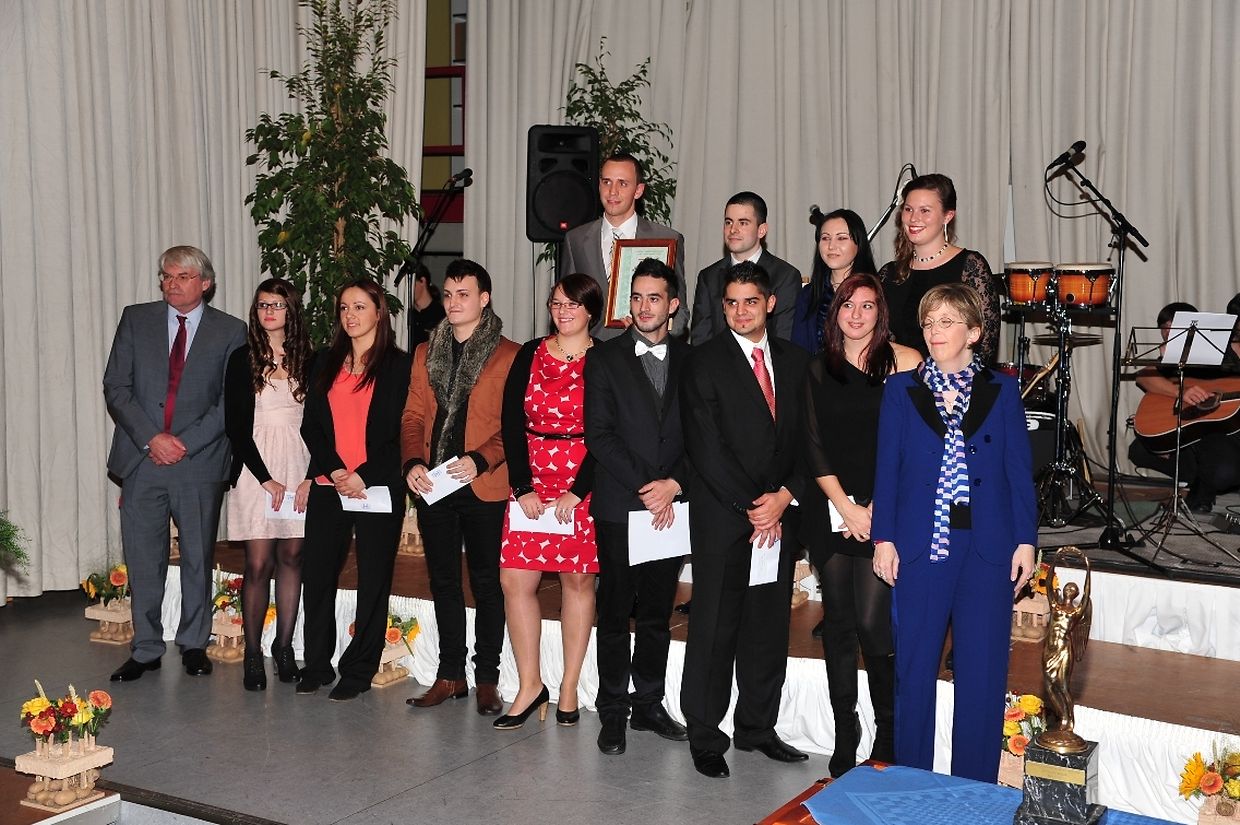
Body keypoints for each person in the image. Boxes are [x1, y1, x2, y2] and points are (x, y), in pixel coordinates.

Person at [871, 282, 1037, 783]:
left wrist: (1026, 540)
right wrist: (884, 538)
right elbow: (887, 469)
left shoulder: (1002, 391)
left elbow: (1017, 471)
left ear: (975, 332)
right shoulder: (901, 390)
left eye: (947, 322)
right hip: (921, 545)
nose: (934, 331)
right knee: (914, 668)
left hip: (988, 548)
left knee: (983, 672)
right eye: (928, 322)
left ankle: (975, 787)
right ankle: (912, 781)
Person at [679, 261, 811, 779]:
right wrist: (755, 508)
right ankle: (705, 734)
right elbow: (705, 447)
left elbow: (809, 441)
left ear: (770, 304)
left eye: (750, 302)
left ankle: (757, 727)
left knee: (767, 626)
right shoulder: (703, 361)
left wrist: (784, 497)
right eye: (731, 303)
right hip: (725, 517)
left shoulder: (797, 362)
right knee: (714, 627)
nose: (740, 312)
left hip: (780, 516)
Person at [103, 246, 246, 683]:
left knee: (198, 556)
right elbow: (116, 386)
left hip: (198, 460)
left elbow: (231, 402)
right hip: (142, 457)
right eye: (166, 276)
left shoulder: (231, 330)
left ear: (206, 283)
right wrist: (153, 439)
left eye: (182, 277)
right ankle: (146, 648)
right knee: (143, 556)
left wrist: (184, 444)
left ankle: (193, 644)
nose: (171, 284)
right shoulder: (136, 319)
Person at [801, 273, 921, 776]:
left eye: (867, 306)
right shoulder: (817, 367)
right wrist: (846, 508)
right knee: (839, 625)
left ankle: (888, 732)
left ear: (880, 313)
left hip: (885, 510)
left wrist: (874, 510)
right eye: (848, 305)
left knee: (873, 625)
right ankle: (844, 730)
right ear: (836, 312)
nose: (856, 315)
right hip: (831, 508)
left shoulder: (906, 363)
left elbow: (914, 447)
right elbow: (811, 444)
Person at [401, 259, 519, 716]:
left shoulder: (509, 354)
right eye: (448, 295)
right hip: (434, 483)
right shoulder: (424, 351)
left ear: (484, 299)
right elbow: (412, 416)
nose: (453, 303)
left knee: (487, 583)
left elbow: (516, 425)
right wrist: (412, 461)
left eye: (463, 294)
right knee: (444, 581)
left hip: (484, 482)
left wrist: (480, 458)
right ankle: (450, 674)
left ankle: (487, 677)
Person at [584, 258, 691, 756]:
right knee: (613, 611)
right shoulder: (604, 358)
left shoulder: (693, 359)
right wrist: (651, 487)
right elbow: (599, 435)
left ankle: (648, 703)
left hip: (672, 505)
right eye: (636, 297)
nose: (644, 307)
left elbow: (705, 435)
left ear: (673, 305)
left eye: (654, 298)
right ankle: (612, 710)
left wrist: (675, 484)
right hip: (621, 505)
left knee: (655, 614)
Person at [495, 272, 601, 729]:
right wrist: (522, 485)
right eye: (556, 303)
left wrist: (579, 490)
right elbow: (509, 419)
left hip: (582, 480)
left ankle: (569, 686)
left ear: (591, 311)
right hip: (531, 479)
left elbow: (609, 430)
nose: (563, 311)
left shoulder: (605, 359)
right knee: (515, 580)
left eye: (572, 304)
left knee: (577, 582)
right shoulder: (530, 352)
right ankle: (529, 685)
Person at [297, 279, 412, 701]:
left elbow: (406, 432)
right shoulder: (323, 361)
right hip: (330, 484)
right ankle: (316, 663)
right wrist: (334, 469)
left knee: (373, 577)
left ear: (379, 313)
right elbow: (311, 425)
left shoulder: (399, 366)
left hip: (376, 486)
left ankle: (360, 667)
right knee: (318, 575)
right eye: (344, 307)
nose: (350, 315)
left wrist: (363, 474)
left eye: (360, 307)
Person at [224, 278, 313, 691]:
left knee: (293, 557)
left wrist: (311, 476)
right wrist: (265, 478)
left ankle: (284, 647)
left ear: (291, 310)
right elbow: (235, 428)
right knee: (259, 563)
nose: (269, 311)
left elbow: (320, 424)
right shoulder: (241, 359)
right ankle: (252, 652)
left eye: (277, 304)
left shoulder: (310, 359)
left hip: (299, 466)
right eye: (263, 304)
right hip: (256, 471)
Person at [560, 152, 688, 340]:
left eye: (623, 183)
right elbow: (565, 303)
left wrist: (653, 334)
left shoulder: (666, 239)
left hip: (645, 351)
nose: (612, 191)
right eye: (607, 182)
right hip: (591, 350)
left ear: (638, 190)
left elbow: (680, 311)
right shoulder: (576, 240)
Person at [1128, 302, 1240, 513]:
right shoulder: (1210, 350)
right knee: (1140, 449)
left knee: (1222, 470)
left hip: (1229, 438)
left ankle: (1200, 481)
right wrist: (1181, 392)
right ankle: (1199, 475)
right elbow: (1144, 376)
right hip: (1205, 435)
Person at [878, 174, 1000, 364]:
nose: (914, 218)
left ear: (947, 216)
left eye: (925, 210)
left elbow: (985, 346)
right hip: (899, 378)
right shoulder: (888, 273)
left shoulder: (970, 266)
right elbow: (879, 340)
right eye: (908, 209)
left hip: (956, 380)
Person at [691, 191, 801, 344]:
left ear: (761, 230)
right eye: (728, 222)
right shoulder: (709, 276)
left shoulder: (785, 276)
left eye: (743, 223)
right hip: (717, 358)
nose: (733, 230)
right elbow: (701, 340)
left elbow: (784, 339)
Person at [791, 209, 877, 354]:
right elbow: (798, 351)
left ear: (859, 242)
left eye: (841, 238)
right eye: (825, 238)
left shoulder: (876, 291)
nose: (831, 246)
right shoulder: (808, 295)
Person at [406, 262, 446, 350]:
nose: (407, 289)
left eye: (410, 284)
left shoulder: (441, 315)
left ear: (422, 281)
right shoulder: (407, 314)